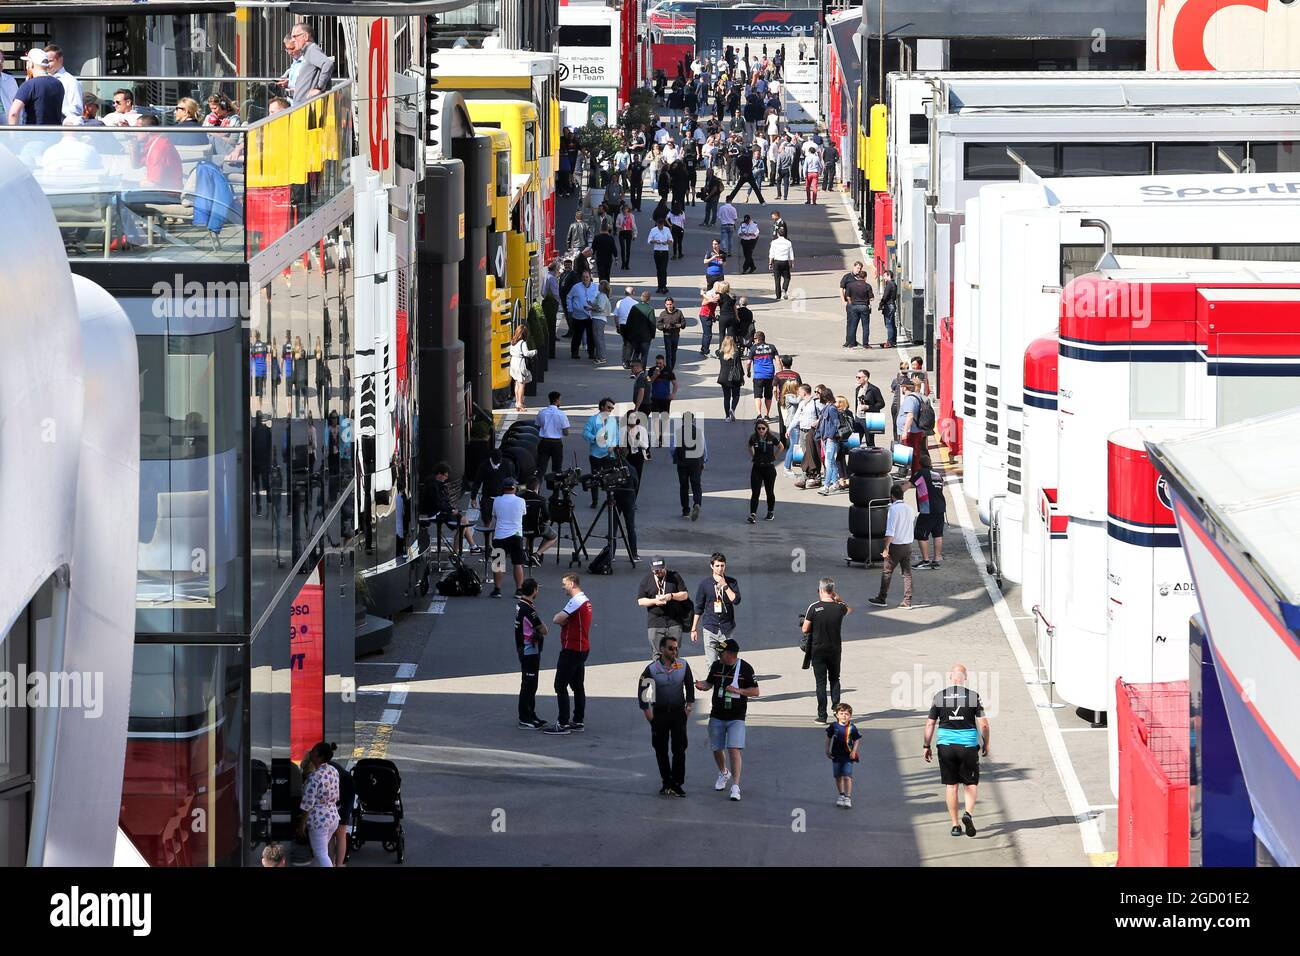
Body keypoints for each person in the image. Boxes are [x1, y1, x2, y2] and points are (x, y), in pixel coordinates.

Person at [924, 665, 990, 837]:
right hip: (968, 746)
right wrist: (986, 743)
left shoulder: (939, 696)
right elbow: (983, 724)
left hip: (946, 746)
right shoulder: (973, 696)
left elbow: (930, 723)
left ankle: (955, 825)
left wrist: (926, 745)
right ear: (965, 678)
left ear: (950, 677)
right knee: (970, 783)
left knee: (951, 786)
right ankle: (967, 813)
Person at [693, 638, 759, 801]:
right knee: (716, 748)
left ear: (730, 654)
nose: (718, 655)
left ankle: (735, 786)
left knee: (734, 748)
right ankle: (724, 772)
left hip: (736, 716)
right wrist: (702, 685)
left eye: (721, 652)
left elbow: (755, 691)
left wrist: (737, 690)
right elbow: (710, 683)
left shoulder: (745, 668)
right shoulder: (716, 666)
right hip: (717, 714)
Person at [639, 634, 696, 797]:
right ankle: (666, 782)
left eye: (676, 648)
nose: (674, 651)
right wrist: (651, 718)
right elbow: (644, 696)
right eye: (671, 648)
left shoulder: (683, 665)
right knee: (661, 750)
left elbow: (689, 686)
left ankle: (677, 783)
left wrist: (689, 707)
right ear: (662, 649)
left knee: (679, 749)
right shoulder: (652, 669)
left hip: (678, 713)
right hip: (660, 714)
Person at [545, 573, 592, 734]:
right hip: (581, 648)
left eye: (564, 584)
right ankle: (578, 720)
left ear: (572, 584)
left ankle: (563, 723)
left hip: (571, 649)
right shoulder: (585, 600)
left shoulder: (576, 601)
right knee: (578, 686)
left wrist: (562, 620)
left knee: (560, 685)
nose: (563, 586)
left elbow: (557, 619)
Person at [802, 578, 851, 722]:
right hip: (835, 649)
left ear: (821, 590)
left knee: (820, 683)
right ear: (832, 591)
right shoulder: (839, 607)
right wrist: (839, 598)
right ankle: (838, 711)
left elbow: (805, 628)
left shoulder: (813, 607)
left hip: (818, 649)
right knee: (835, 679)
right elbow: (848, 609)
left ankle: (822, 716)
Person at [868, 483, 916, 609]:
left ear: (892, 496)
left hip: (896, 546)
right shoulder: (910, 508)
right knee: (907, 574)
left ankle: (882, 598)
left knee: (887, 572)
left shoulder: (893, 510)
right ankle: (907, 600)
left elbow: (890, 532)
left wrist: (886, 548)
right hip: (908, 545)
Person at [691, 552, 741, 666]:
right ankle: (712, 683)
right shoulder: (705, 584)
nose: (720, 569)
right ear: (712, 566)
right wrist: (694, 628)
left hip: (726, 630)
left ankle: (725, 682)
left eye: (722, 565)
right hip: (710, 629)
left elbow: (736, 600)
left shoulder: (732, 582)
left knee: (727, 661)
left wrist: (725, 586)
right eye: (717, 566)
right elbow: (699, 607)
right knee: (712, 663)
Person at [637, 557, 693, 658]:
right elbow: (640, 601)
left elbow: (685, 595)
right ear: (651, 568)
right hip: (655, 622)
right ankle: (658, 673)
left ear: (665, 567)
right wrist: (654, 601)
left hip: (674, 621)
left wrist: (671, 596)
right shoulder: (646, 580)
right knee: (657, 654)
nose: (658, 572)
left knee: (673, 653)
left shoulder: (674, 576)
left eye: (661, 569)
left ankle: (673, 673)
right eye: (656, 570)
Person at [298, 742, 340, 866]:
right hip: (333, 816)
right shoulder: (333, 770)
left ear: (320, 757)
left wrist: (302, 825)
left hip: (319, 820)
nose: (311, 751)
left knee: (321, 854)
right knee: (320, 853)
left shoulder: (314, 777)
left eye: (315, 750)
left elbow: (307, 804)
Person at [515, 577, 549, 729]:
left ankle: (531, 713)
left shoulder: (522, 605)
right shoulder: (528, 609)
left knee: (532, 684)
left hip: (527, 649)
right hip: (529, 651)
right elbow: (544, 630)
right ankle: (525, 717)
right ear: (535, 590)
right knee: (528, 684)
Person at [489, 477, 529, 598]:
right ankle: (519, 590)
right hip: (516, 536)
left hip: (499, 535)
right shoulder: (521, 501)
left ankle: (497, 589)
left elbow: (495, 516)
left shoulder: (496, 501)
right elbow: (523, 514)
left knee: (498, 563)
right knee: (518, 563)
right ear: (515, 488)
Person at [8, 49, 64, 126]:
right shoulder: (58, 84)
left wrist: (12, 135)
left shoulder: (29, 85)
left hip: (33, 134)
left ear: (31, 64)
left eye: (27, 62)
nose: (26, 65)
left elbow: (13, 113)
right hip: (55, 134)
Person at [469, 448, 517, 537]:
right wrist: (473, 497)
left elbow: (512, 480)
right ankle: (489, 544)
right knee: (487, 522)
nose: (498, 462)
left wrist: (514, 496)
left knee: (502, 521)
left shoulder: (507, 464)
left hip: (503, 498)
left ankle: (499, 541)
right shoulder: (484, 466)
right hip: (487, 498)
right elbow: (477, 482)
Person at [284, 23, 336, 104]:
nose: (293, 40)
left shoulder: (312, 49)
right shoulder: (308, 51)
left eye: (295, 36)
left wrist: (319, 88)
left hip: (306, 106)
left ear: (305, 37)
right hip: (301, 105)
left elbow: (328, 64)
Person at [583, 397, 620, 508]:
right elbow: (585, 433)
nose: (610, 410)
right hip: (596, 454)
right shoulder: (593, 420)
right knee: (595, 477)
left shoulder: (612, 421)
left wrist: (613, 446)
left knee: (610, 478)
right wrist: (595, 439)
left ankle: (610, 500)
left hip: (609, 454)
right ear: (602, 407)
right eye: (608, 407)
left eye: (612, 408)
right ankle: (595, 500)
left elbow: (617, 435)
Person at [130, 114, 184, 191]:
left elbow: (153, 184)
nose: (134, 132)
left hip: (167, 194)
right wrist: (133, 148)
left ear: (148, 130)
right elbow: (136, 165)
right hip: (163, 190)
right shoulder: (154, 143)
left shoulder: (158, 148)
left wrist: (129, 184)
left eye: (137, 128)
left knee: (119, 197)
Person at [911, 455, 946, 570]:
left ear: (920, 464)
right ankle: (936, 560)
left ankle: (925, 560)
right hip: (941, 507)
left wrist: (895, 494)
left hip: (928, 509)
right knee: (937, 534)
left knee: (920, 533)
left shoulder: (921, 473)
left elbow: (909, 485)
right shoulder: (937, 475)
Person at [825, 703, 862, 808]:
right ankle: (841, 794)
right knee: (838, 776)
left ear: (850, 716)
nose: (844, 716)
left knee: (847, 776)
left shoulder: (852, 728)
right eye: (841, 713)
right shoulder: (834, 726)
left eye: (846, 714)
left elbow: (857, 739)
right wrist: (827, 750)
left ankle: (848, 797)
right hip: (836, 755)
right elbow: (828, 737)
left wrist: (854, 751)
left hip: (847, 756)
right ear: (836, 715)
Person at [747, 417, 783, 523]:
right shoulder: (753, 438)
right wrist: (753, 456)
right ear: (756, 429)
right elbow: (749, 446)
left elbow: (781, 446)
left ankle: (770, 511)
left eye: (763, 428)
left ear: (767, 429)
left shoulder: (772, 438)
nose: (761, 430)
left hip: (769, 468)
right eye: (759, 428)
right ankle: (753, 514)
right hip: (757, 467)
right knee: (755, 492)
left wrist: (774, 457)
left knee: (769, 491)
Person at [672, 415, 707, 520]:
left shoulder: (678, 432)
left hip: (682, 463)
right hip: (696, 463)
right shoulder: (699, 431)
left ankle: (686, 510)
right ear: (693, 420)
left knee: (684, 486)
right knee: (696, 484)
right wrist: (704, 460)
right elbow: (704, 447)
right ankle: (697, 503)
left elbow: (672, 448)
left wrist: (675, 457)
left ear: (683, 421)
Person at [42, 45, 83, 126]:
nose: (47, 65)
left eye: (50, 61)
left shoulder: (70, 81)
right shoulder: (43, 79)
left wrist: (56, 111)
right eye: (45, 62)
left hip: (62, 127)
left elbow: (77, 109)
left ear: (60, 60)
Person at [840, 261, 875, 349]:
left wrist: (851, 303)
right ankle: (855, 342)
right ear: (854, 266)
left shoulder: (851, 285)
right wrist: (844, 302)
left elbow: (848, 295)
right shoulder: (847, 277)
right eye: (857, 268)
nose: (858, 270)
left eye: (860, 269)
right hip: (861, 306)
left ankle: (852, 343)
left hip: (853, 305)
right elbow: (841, 289)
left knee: (853, 324)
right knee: (861, 325)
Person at [896, 376, 928, 474]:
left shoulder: (910, 399)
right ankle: (906, 472)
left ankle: (914, 474)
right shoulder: (918, 396)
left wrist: (905, 431)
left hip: (911, 431)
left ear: (904, 387)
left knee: (913, 455)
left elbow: (910, 416)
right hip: (916, 430)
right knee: (914, 453)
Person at [535, 391, 570, 477]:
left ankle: (536, 488)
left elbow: (538, 426)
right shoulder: (561, 414)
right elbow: (566, 432)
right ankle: (556, 489)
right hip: (556, 443)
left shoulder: (542, 412)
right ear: (557, 400)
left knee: (540, 468)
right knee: (557, 469)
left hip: (544, 442)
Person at [566, 270, 598, 360]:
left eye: (587, 277)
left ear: (590, 277)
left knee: (591, 335)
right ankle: (574, 352)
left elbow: (599, 299)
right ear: (581, 278)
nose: (585, 279)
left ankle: (591, 353)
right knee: (577, 335)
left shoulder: (595, 287)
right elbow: (569, 297)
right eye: (583, 277)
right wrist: (570, 309)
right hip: (578, 315)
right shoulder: (576, 287)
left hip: (591, 315)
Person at [747, 330, 778, 420]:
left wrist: (748, 372)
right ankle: (767, 415)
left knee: (757, 396)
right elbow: (778, 361)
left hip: (758, 376)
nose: (754, 341)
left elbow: (748, 363)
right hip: (770, 375)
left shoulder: (753, 348)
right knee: (768, 396)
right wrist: (780, 373)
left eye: (754, 339)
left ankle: (759, 414)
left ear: (757, 339)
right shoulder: (772, 347)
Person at [853, 369, 886, 447]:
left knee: (869, 441)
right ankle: (856, 458)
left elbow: (881, 404)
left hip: (869, 419)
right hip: (858, 418)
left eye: (859, 377)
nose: (857, 379)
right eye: (856, 377)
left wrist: (868, 407)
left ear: (866, 378)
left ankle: (871, 458)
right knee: (855, 442)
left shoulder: (874, 389)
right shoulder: (858, 389)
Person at [625, 291, 658, 369]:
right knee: (644, 355)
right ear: (649, 299)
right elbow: (652, 324)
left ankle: (633, 371)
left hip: (634, 336)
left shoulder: (634, 307)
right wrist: (653, 335)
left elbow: (629, 322)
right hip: (645, 337)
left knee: (635, 353)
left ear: (641, 297)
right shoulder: (650, 309)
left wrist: (628, 334)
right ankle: (642, 371)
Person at [716, 335, 744, 423]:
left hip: (724, 377)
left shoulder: (720, 353)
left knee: (726, 397)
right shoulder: (736, 353)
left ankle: (727, 416)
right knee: (736, 395)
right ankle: (732, 409)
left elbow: (717, 351)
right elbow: (739, 366)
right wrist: (742, 377)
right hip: (734, 377)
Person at [508, 325, 535, 413]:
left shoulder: (513, 341)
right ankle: (520, 404)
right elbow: (526, 353)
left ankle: (517, 402)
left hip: (513, 362)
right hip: (520, 363)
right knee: (522, 384)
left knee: (517, 383)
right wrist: (534, 351)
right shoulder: (522, 343)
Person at [657, 296, 686, 370]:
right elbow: (658, 325)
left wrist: (677, 325)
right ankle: (669, 369)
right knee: (668, 353)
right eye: (667, 304)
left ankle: (671, 368)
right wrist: (665, 326)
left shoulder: (678, 312)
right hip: (667, 335)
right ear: (665, 305)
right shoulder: (663, 313)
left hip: (675, 335)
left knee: (673, 353)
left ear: (673, 304)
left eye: (670, 304)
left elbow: (683, 324)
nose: (669, 306)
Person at [647, 217, 673, 294]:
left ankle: (664, 286)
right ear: (657, 224)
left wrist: (667, 242)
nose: (660, 227)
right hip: (657, 251)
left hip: (665, 251)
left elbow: (671, 240)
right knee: (659, 269)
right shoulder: (653, 230)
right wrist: (654, 241)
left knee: (663, 269)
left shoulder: (667, 230)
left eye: (661, 225)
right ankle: (659, 286)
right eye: (659, 225)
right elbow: (649, 241)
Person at [590, 279, 613, 365]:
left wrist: (591, 308)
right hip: (600, 318)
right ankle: (600, 356)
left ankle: (601, 357)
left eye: (600, 285)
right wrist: (591, 305)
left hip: (598, 318)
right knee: (599, 338)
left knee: (598, 338)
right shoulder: (603, 296)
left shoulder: (601, 296)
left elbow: (600, 308)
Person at [768, 226, 794, 300]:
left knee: (777, 279)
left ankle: (778, 295)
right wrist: (792, 262)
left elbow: (771, 254)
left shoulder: (774, 242)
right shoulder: (788, 242)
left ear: (778, 234)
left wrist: (770, 263)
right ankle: (784, 289)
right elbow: (791, 254)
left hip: (777, 262)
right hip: (785, 261)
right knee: (787, 277)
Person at [879, 270, 899, 348]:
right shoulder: (894, 284)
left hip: (888, 305)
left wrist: (881, 304)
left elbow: (885, 296)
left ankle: (890, 342)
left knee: (889, 324)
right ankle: (893, 341)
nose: (884, 278)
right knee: (892, 324)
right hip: (892, 304)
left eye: (885, 276)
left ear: (889, 275)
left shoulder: (889, 284)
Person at [616, 204, 637, 269]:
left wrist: (635, 234)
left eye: (626, 209)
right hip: (622, 232)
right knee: (623, 249)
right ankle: (623, 263)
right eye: (624, 209)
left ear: (628, 210)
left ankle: (627, 264)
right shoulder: (619, 215)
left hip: (628, 232)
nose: (625, 211)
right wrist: (620, 227)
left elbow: (634, 225)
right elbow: (616, 224)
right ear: (622, 210)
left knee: (628, 249)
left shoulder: (631, 216)